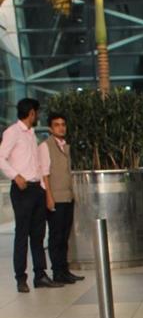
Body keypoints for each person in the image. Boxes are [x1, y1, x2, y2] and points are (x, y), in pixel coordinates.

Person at [0, 98, 61, 292]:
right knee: (22, 234)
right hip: (22, 189)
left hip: (36, 189)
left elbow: (36, 165)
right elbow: (0, 157)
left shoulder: (31, 134)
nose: (38, 116)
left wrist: (44, 189)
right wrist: (15, 176)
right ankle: (21, 278)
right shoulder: (12, 132)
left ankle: (40, 275)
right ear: (31, 113)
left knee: (38, 234)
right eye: (37, 112)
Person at [39, 112, 85, 285]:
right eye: (57, 124)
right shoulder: (45, 146)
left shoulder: (65, 146)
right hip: (55, 197)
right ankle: (57, 271)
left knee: (65, 236)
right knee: (56, 236)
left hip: (67, 196)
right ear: (50, 128)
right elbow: (45, 174)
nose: (61, 127)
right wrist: (49, 197)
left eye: (63, 124)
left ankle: (64, 270)